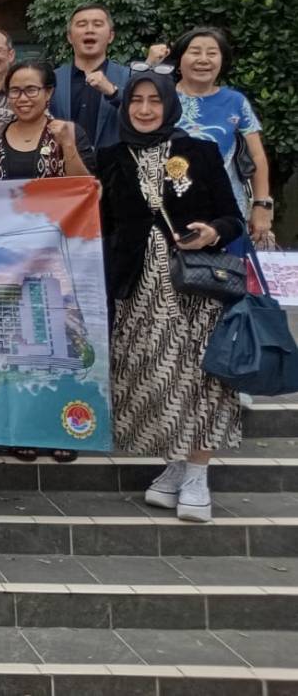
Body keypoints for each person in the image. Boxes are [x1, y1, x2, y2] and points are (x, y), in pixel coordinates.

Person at [98, 67, 244, 523]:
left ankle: (198, 474)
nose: (144, 110)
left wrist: (211, 231)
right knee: (155, 379)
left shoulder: (197, 151)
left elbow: (232, 217)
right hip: (137, 290)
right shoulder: (111, 157)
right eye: (136, 101)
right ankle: (174, 467)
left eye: (154, 101)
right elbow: (100, 223)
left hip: (196, 288)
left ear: (168, 105)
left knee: (202, 380)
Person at [0, 59, 93, 464]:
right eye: (15, 91)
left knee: (60, 342)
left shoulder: (66, 132)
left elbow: (86, 187)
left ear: (48, 93)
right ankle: (20, 428)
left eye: (31, 90)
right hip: (8, 259)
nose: (22, 99)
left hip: (55, 257)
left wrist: (69, 146)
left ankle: (66, 428)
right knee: (13, 345)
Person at [147, 27, 274, 253]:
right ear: (179, 59)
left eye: (212, 53)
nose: (203, 60)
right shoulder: (160, 98)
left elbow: (257, 156)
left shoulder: (236, 102)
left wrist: (262, 204)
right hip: (170, 210)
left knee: (225, 280)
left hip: (225, 213)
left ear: (222, 60)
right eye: (195, 52)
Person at [50, 4, 129, 151]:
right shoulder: (52, 79)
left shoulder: (130, 76)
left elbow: (143, 116)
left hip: (116, 169)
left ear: (111, 36)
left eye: (97, 24)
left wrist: (113, 93)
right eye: (81, 25)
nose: (89, 30)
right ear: (69, 37)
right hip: (64, 167)